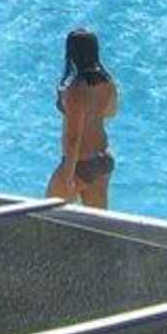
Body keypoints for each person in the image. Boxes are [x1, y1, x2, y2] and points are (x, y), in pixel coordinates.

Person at [45, 28, 119, 209]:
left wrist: (67, 175)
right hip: (103, 158)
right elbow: (110, 112)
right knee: (98, 220)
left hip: (80, 162)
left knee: (48, 212)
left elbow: (73, 137)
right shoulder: (108, 82)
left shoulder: (75, 89)